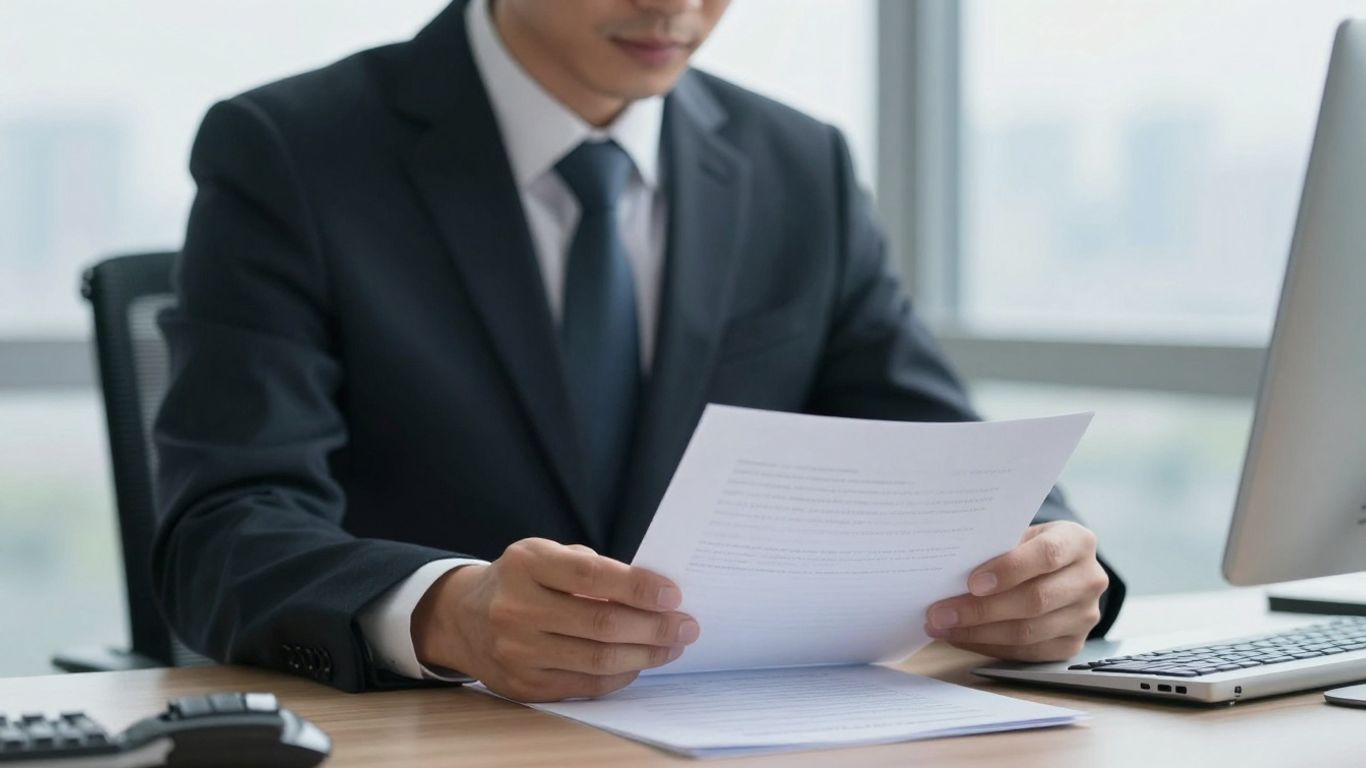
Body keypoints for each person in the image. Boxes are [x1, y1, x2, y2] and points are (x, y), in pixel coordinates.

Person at [153, 0, 1123, 703]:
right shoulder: (292, 151)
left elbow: (946, 453)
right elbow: (222, 530)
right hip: (435, 734)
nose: (675, 5)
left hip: (749, 729)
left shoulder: (799, 167)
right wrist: (450, 613)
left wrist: (1048, 570)